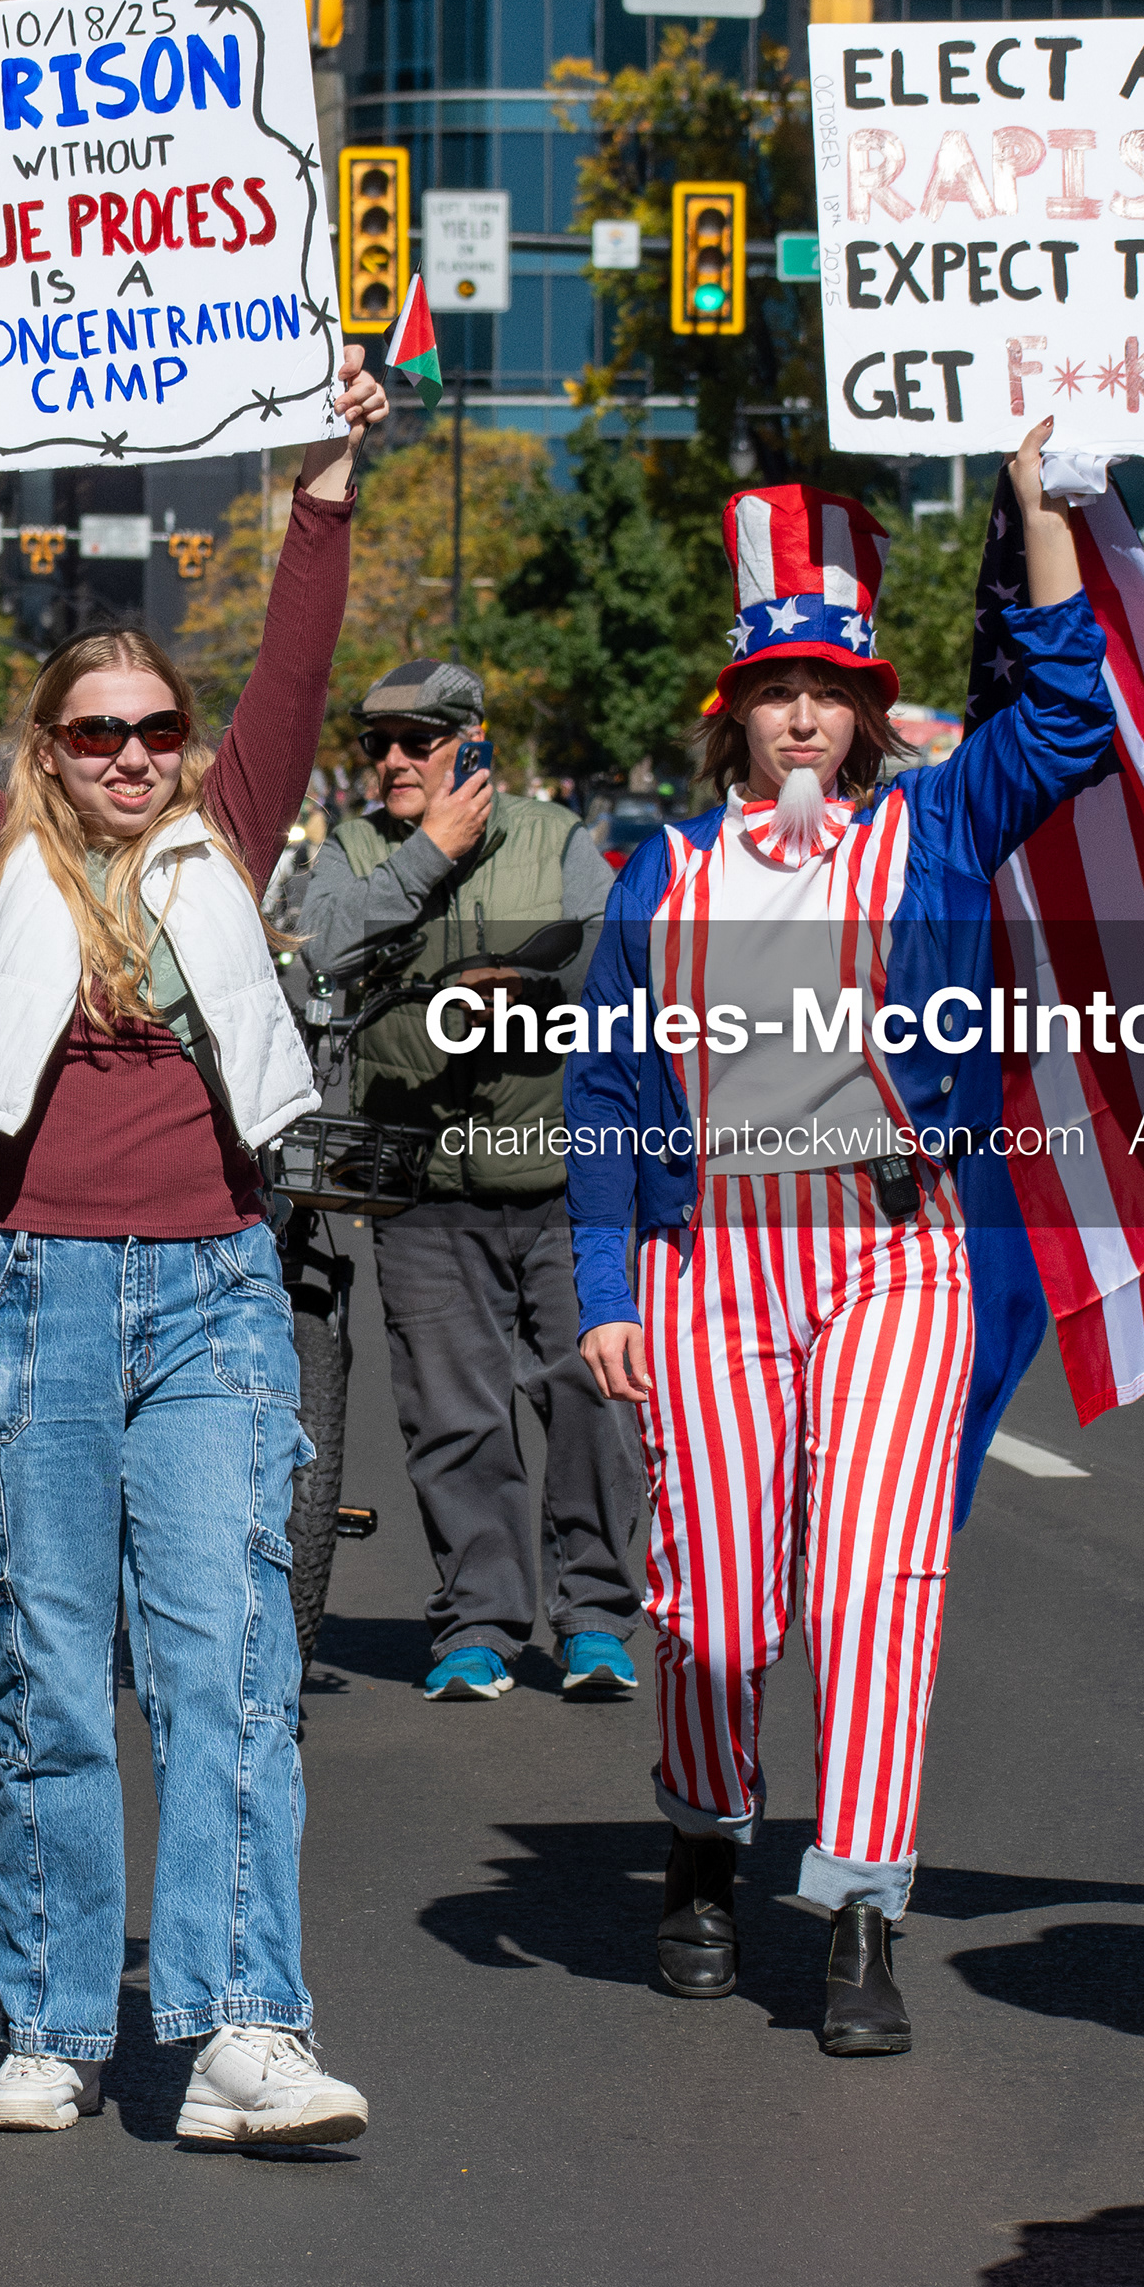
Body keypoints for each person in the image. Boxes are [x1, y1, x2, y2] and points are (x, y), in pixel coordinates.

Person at [0, 359, 393, 2148]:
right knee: (51, 1683)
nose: (127, 758)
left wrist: (319, 487)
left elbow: (298, 677)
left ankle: (247, 2029)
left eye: (152, 733)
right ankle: (52, 2022)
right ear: (49, 748)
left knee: (230, 1670)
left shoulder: (221, 847)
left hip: (213, 1301)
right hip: (28, 1302)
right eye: (93, 733)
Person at [566, 426, 1109, 2056]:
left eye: (829, 687)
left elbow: (1071, 717)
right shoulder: (663, 875)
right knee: (718, 1602)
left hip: (893, 1249)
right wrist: (606, 1285)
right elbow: (604, 1087)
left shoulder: (940, 828)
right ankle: (703, 1839)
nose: (803, 712)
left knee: (880, 1584)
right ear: (737, 713)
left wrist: (1039, 506)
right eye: (775, 688)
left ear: (866, 708)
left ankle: (865, 1915)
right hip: (711, 1258)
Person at [295, 658, 639, 1704]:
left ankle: (595, 1618)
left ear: (472, 742)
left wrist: (532, 981)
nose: (394, 760)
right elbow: (323, 959)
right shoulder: (354, 852)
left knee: (590, 1399)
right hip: (424, 1181)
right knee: (454, 1413)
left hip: (563, 1177)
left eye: (420, 740)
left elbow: (623, 961)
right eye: (378, 745)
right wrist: (428, 858)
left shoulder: (554, 838)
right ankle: (479, 1623)